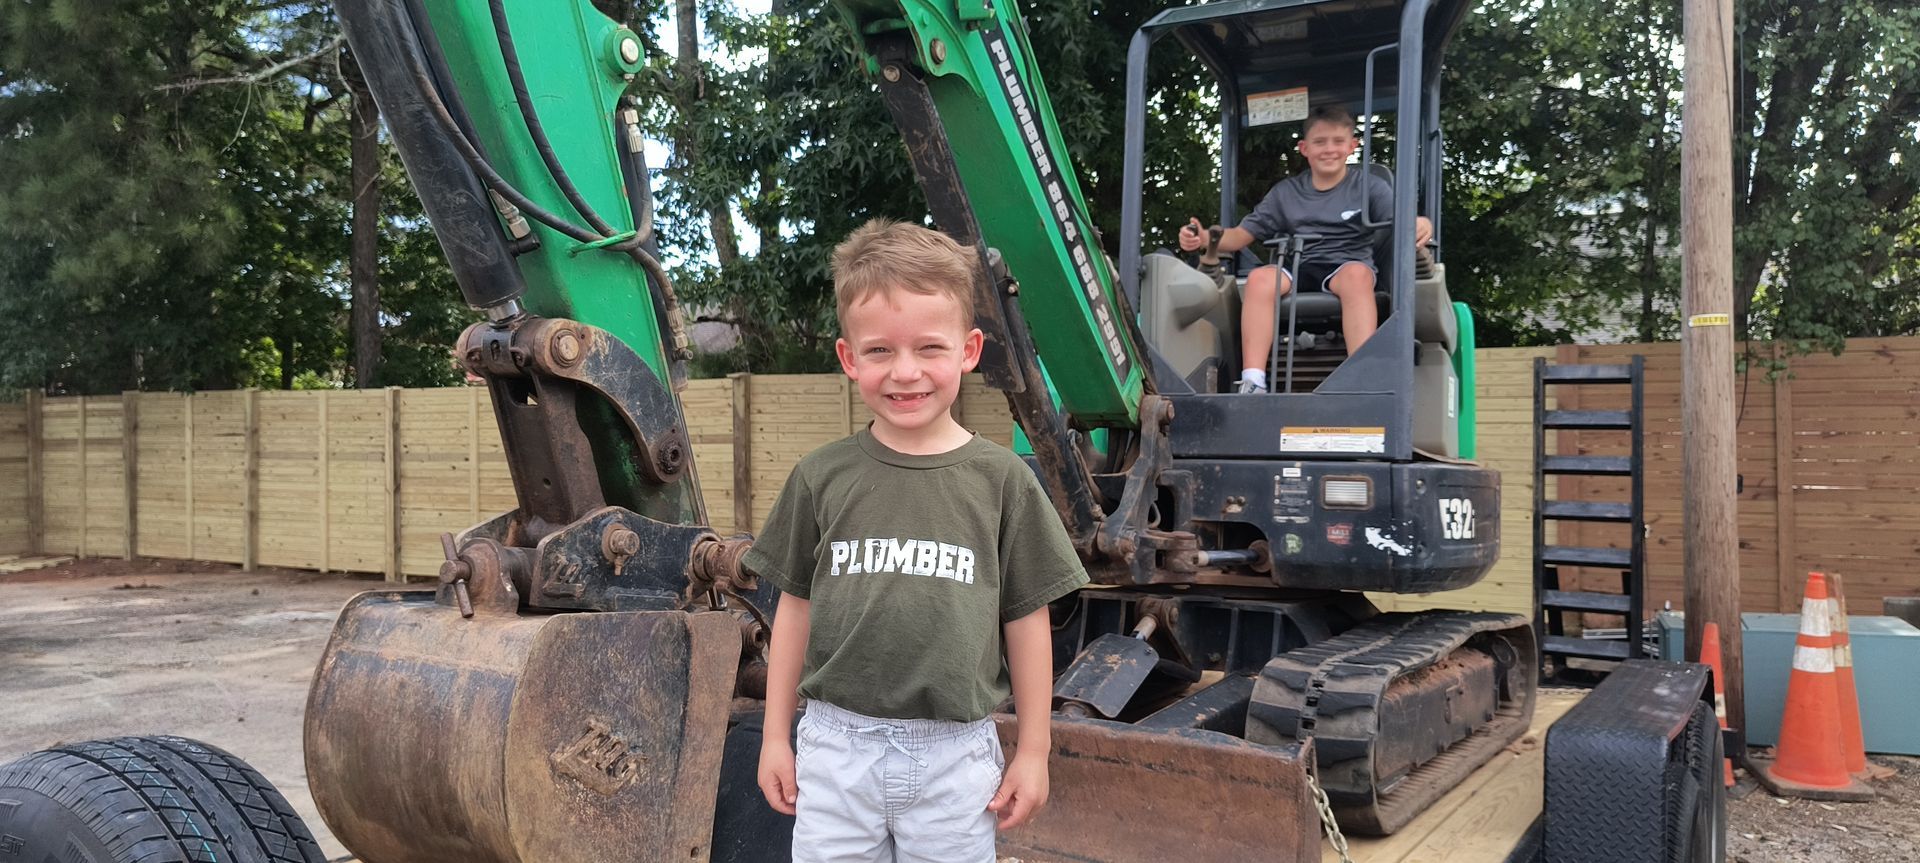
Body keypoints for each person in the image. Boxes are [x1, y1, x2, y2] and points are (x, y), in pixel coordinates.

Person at [750, 219, 1089, 863]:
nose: (906, 372)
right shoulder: (819, 477)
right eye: (879, 351)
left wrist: (1036, 751)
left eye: (930, 348)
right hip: (834, 751)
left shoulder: (1004, 482)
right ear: (850, 358)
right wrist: (774, 736)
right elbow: (793, 609)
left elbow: (1027, 621)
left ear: (968, 350)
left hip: (956, 759)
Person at [1178, 103, 1433, 393]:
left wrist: (1422, 222)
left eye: (1338, 142)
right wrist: (1203, 239)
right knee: (1260, 278)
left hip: (1345, 267)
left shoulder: (1370, 187)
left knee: (1356, 277)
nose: (1329, 149)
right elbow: (1239, 236)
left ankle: (1363, 378)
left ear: (1352, 146)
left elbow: (1403, 222)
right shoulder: (1286, 192)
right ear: (1304, 148)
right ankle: (1253, 381)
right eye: (1320, 142)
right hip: (1298, 265)